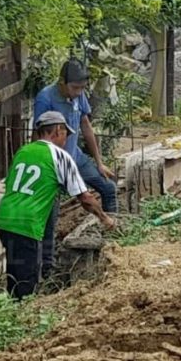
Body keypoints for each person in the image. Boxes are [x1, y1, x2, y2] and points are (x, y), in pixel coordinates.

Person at [0, 111, 116, 299]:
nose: (66, 139)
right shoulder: (60, 156)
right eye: (65, 134)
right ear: (57, 130)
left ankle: (11, 309)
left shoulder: (23, 151)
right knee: (27, 281)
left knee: (14, 270)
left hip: (4, 218)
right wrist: (105, 218)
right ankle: (23, 316)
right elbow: (85, 198)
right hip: (27, 223)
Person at [33, 59, 117, 278]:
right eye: (75, 88)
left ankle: (112, 241)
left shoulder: (79, 96)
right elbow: (38, 134)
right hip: (56, 163)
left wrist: (99, 162)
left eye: (82, 88)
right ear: (62, 83)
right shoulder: (45, 98)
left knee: (108, 188)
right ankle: (48, 269)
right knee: (51, 218)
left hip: (76, 158)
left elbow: (86, 126)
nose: (79, 92)